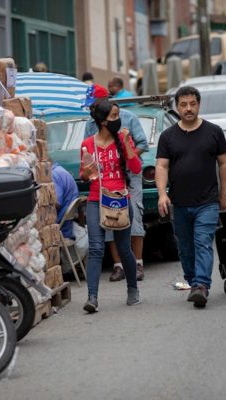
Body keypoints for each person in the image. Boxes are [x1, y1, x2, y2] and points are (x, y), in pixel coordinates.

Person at [155, 85, 226, 308]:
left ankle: (201, 286)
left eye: (192, 104)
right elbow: (161, 167)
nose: (188, 109)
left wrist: (224, 193)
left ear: (198, 105)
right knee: (185, 248)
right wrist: (162, 195)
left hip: (207, 202)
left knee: (202, 243)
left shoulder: (213, 131)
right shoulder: (168, 136)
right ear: (177, 107)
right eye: (183, 104)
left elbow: (224, 163)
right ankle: (193, 279)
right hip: (179, 203)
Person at [79, 99, 142, 313]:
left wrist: (126, 143)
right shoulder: (88, 144)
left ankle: (133, 289)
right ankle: (92, 297)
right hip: (96, 199)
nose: (118, 120)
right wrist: (87, 172)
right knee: (96, 248)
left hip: (120, 199)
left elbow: (135, 167)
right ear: (102, 121)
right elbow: (84, 176)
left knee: (124, 248)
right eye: (114, 116)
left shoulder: (123, 139)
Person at [83, 84, 149, 281]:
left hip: (128, 175)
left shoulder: (128, 117)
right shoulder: (90, 124)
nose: (91, 108)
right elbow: (88, 152)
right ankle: (118, 265)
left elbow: (142, 144)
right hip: (106, 178)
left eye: (94, 104)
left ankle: (138, 263)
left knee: (133, 215)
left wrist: (125, 158)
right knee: (109, 216)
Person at [52, 161, 79, 240]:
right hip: (67, 226)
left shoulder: (53, 174)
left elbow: (56, 203)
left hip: (61, 228)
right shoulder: (60, 170)